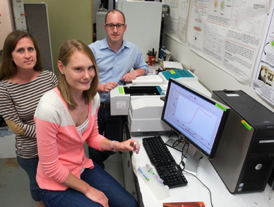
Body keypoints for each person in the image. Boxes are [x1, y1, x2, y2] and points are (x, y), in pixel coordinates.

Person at [34, 39, 140, 207]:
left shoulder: (92, 97)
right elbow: (51, 167)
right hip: (54, 184)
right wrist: (88, 189)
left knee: (129, 204)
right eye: (78, 69)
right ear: (61, 67)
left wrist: (117, 145)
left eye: (90, 68)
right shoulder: (49, 108)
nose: (87, 75)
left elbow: (92, 137)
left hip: (80, 167)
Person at [0, 30, 58, 207]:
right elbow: (17, 128)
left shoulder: (49, 77)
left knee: (58, 184)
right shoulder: (4, 89)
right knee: (37, 186)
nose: (27, 55)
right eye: (20, 50)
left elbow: (63, 110)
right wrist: (52, 130)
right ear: (10, 56)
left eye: (30, 49)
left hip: (57, 145)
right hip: (31, 152)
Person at [88, 9, 148, 168]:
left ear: (125, 27)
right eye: (111, 25)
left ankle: (99, 162)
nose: (115, 30)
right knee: (93, 145)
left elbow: (144, 68)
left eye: (119, 25)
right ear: (105, 27)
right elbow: (81, 79)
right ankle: (96, 171)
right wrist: (100, 86)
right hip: (95, 106)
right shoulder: (92, 50)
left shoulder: (132, 50)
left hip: (117, 108)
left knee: (114, 144)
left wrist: (135, 72)